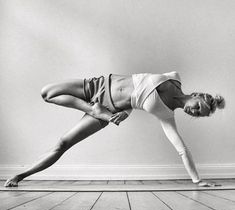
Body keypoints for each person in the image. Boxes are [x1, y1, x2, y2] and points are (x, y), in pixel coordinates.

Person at [4, 71, 225, 187]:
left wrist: (197, 180)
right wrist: (125, 111)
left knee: (63, 144)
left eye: (199, 116)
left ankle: (20, 175)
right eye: (198, 108)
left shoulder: (166, 115)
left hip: (109, 108)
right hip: (99, 84)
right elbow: (141, 88)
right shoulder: (174, 77)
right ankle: (94, 109)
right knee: (47, 93)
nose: (194, 113)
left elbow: (182, 150)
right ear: (197, 96)